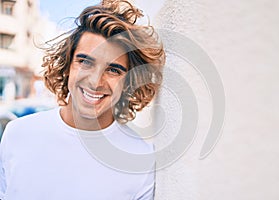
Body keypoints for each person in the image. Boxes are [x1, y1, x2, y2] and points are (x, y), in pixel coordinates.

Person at [0, 0, 165, 199]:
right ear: (68, 65)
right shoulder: (17, 134)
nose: (95, 82)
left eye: (113, 70)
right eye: (86, 62)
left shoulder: (141, 161)